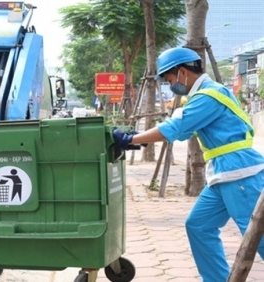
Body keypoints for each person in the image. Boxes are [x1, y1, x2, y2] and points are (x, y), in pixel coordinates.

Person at [113, 47, 264, 282]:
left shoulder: (208, 96)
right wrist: (137, 139)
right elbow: (181, 130)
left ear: (183, 72)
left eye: (170, 79)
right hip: (222, 174)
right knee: (198, 226)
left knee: (257, 235)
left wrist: (129, 139)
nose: (171, 85)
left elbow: (175, 128)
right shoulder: (204, 95)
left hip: (239, 173)